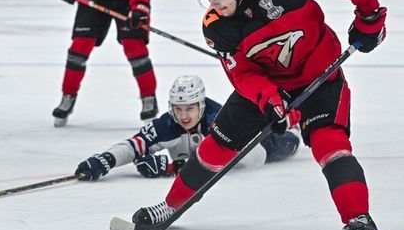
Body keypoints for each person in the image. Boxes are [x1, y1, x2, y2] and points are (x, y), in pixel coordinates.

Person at [131, 0, 389, 230]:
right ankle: (171, 205)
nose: (212, 5)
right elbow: (242, 72)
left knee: (329, 143)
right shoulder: (216, 26)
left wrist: (370, 16)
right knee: (216, 146)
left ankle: (359, 220)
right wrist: (270, 100)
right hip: (267, 86)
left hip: (320, 77)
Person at [75, 75, 300, 181]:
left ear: (201, 106)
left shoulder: (218, 120)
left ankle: (295, 119)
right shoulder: (168, 123)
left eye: (189, 109)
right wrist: (106, 159)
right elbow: (135, 145)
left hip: (264, 143)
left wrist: (176, 167)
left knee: (290, 140)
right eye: (178, 109)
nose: (183, 116)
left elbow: (254, 158)